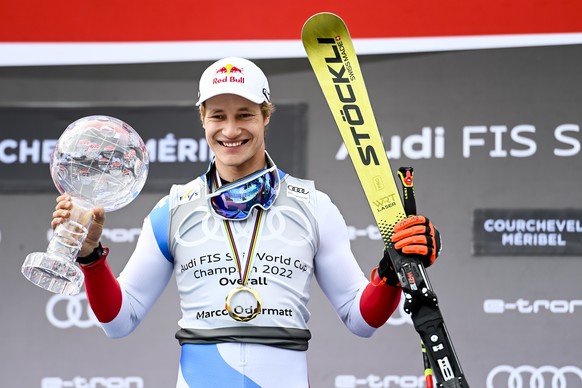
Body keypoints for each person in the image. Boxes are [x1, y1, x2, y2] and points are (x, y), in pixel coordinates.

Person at [51, 57, 442, 388]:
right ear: (202, 119)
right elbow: (119, 321)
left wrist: (392, 272)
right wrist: (91, 259)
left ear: (266, 116)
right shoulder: (173, 208)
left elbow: (361, 318)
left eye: (245, 115)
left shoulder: (314, 206)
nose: (231, 130)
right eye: (218, 115)